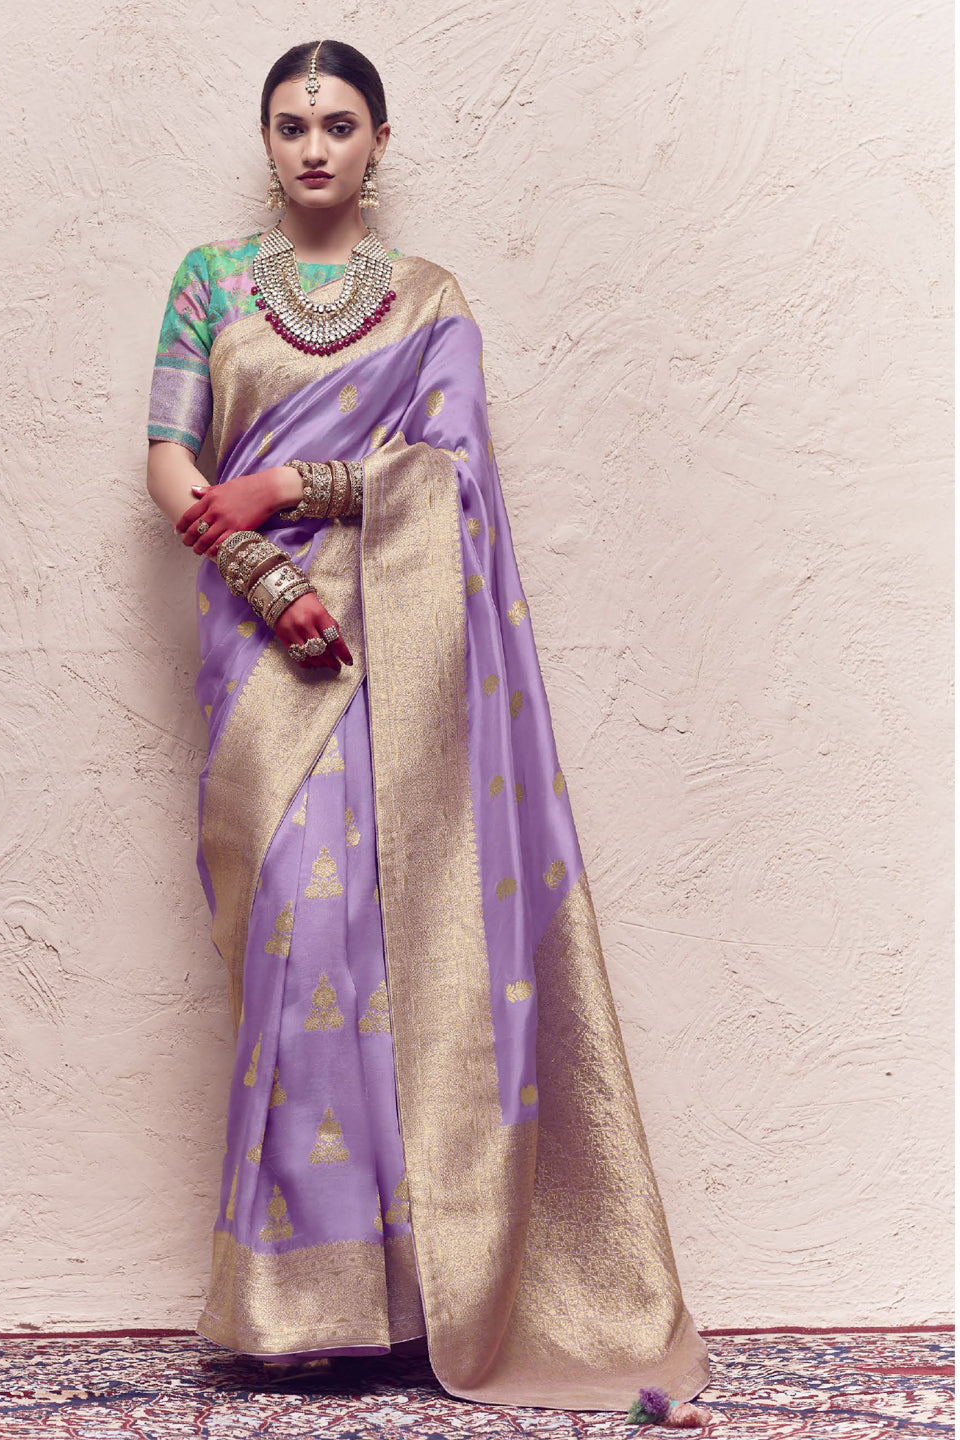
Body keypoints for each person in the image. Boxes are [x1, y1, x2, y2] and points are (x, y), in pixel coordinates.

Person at [145, 38, 711, 1413]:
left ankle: (409, 1301)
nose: (315, 147)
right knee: (296, 941)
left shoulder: (430, 300)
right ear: (267, 142)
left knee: (399, 953)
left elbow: (451, 476)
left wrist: (292, 483)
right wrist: (264, 575)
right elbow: (169, 461)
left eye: (340, 124)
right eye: (292, 126)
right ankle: (291, 1307)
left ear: (380, 142)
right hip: (262, 650)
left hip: (400, 654)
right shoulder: (208, 281)